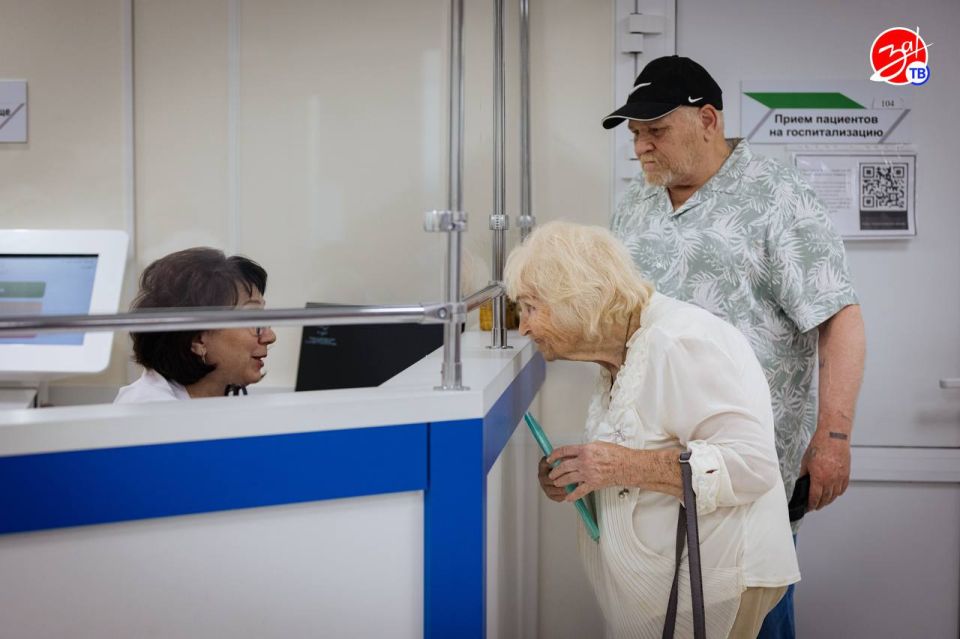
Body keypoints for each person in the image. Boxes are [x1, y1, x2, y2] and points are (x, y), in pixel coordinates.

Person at [602, 55, 866, 636]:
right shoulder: (635, 206)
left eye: (655, 131)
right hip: (650, 473)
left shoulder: (778, 196)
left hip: (746, 474)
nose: (641, 147)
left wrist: (834, 435)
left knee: (752, 618)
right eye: (636, 134)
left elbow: (838, 318)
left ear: (708, 120)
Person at [505, 221, 800, 639]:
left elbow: (751, 465)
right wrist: (579, 475)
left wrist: (620, 466)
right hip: (677, 595)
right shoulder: (620, 354)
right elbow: (638, 452)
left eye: (531, 308)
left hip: (716, 584)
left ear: (575, 297)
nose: (524, 328)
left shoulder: (679, 341)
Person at [114, 247, 277, 403]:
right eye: (253, 319)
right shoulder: (150, 408)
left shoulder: (223, 396)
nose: (270, 337)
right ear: (198, 340)